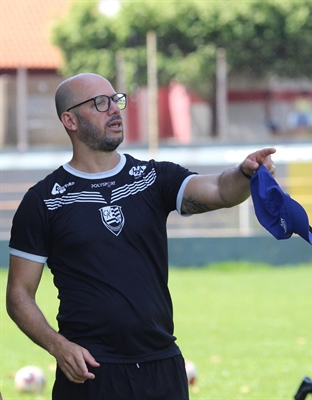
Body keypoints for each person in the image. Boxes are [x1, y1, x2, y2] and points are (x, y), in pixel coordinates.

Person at [6, 72, 276, 400]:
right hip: (90, 372)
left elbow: (219, 189)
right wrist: (58, 346)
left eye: (115, 100)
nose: (114, 110)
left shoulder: (151, 177)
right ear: (70, 120)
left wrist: (244, 173)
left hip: (162, 367)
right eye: (99, 103)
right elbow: (19, 295)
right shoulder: (44, 200)